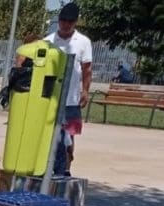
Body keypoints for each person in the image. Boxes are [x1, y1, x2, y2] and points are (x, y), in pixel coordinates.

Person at [45, 2, 91, 176]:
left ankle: (66, 168)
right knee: (49, 135)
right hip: (51, 98)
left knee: (68, 137)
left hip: (71, 98)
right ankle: (47, 167)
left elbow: (87, 69)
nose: (65, 25)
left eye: (69, 22)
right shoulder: (48, 41)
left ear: (75, 22)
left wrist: (85, 90)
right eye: (63, 21)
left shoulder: (83, 42)